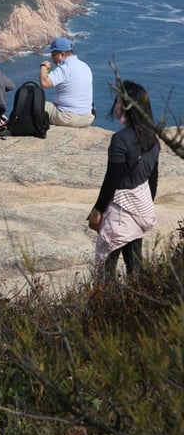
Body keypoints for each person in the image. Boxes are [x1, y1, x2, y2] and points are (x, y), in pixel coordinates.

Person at [87, 81, 159, 280]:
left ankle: (106, 308)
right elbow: (153, 180)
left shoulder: (120, 139)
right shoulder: (153, 138)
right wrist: (143, 204)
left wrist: (98, 210)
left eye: (118, 101)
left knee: (106, 270)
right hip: (141, 209)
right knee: (135, 268)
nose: (115, 105)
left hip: (119, 211)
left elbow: (112, 180)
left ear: (126, 106)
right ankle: (136, 306)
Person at [39, 37, 94, 127]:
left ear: (62, 54)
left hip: (68, 118)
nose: (52, 58)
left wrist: (43, 66)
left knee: (37, 103)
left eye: (53, 55)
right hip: (87, 118)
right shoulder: (85, 66)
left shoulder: (64, 69)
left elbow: (44, 83)